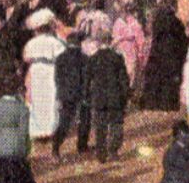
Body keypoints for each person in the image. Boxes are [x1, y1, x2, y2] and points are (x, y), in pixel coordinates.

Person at [20, 10, 65, 146]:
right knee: (49, 98)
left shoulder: (31, 43)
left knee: (39, 99)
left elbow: (26, 57)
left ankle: (39, 131)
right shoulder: (55, 42)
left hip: (37, 70)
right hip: (49, 70)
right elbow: (62, 57)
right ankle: (49, 129)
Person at [85, 34, 130, 163]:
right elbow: (123, 79)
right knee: (116, 125)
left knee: (100, 127)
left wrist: (87, 96)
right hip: (115, 97)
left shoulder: (93, 59)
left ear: (99, 43)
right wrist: (126, 95)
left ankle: (101, 153)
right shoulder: (117, 58)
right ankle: (113, 151)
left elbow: (87, 81)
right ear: (110, 41)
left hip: (99, 98)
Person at [50, 22, 88, 158]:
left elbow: (57, 78)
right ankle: (82, 147)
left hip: (65, 94)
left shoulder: (60, 58)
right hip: (81, 93)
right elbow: (86, 77)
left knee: (64, 123)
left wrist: (60, 93)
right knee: (84, 120)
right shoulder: (84, 58)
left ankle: (56, 147)